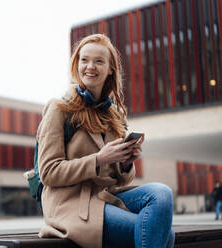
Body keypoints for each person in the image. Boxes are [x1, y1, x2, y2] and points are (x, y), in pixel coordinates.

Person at [37, 34, 174, 248]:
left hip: (105, 198)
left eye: (99, 61)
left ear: (110, 69)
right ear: (77, 64)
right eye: (84, 60)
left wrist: (126, 161)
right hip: (71, 204)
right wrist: (99, 159)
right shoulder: (58, 109)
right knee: (165, 235)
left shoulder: (113, 115)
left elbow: (121, 181)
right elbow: (48, 173)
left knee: (162, 193)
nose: (90, 66)